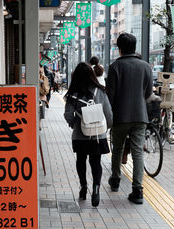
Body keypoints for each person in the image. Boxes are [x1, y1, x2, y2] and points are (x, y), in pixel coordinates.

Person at [106, 33, 153, 204]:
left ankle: (116, 179)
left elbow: (110, 96)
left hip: (120, 116)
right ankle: (137, 190)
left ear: (119, 48)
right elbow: (148, 94)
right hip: (140, 116)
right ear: (135, 47)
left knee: (117, 148)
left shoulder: (115, 67)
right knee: (138, 151)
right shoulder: (146, 66)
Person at [64, 62, 113, 207]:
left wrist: (75, 124)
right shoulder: (100, 91)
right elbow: (109, 114)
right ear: (92, 76)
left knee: (81, 160)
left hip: (80, 135)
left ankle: (83, 187)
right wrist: (106, 128)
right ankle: (96, 189)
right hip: (98, 135)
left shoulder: (73, 93)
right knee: (96, 162)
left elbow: (67, 114)